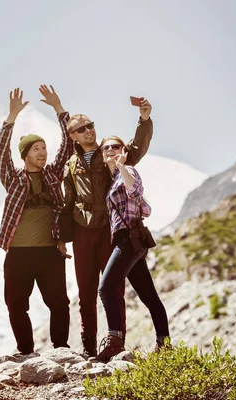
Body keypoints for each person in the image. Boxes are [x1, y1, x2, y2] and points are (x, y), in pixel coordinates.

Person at [61, 98, 153, 357]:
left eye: (90, 125)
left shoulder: (109, 150)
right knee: (85, 291)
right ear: (73, 136)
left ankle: (116, 343)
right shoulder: (71, 164)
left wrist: (144, 120)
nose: (89, 130)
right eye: (82, 128)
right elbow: (68, 201)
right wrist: (62, 237)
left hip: (110, 230)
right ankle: (89, 346)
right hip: (81, 231)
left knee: (113, 287)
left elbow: (136, 149)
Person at [0, 86, 74, 355]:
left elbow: (69, 144)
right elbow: (0, 153)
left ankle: (61, 348)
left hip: (50, 252)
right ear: (25, 153)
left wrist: (59, 108)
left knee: (59, 303)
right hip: (17, 254)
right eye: (37, 148)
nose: (43, 152)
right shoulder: (13, 179)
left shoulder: (53, 174)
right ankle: (26, 351)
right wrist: (11, 117)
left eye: (44, 148)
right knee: (16, 304)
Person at [94, 136, 170, 361]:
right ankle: (164, 345)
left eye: (115, 146)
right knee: (149, 296)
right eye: (106, 147)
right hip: (127, 241)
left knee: (106, 288)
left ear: (124, 150)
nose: (110, 150)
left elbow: (135, 192)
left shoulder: (128, 171)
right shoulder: (113, 177)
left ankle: (115, 343)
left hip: (129, 240)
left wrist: (121, 165)